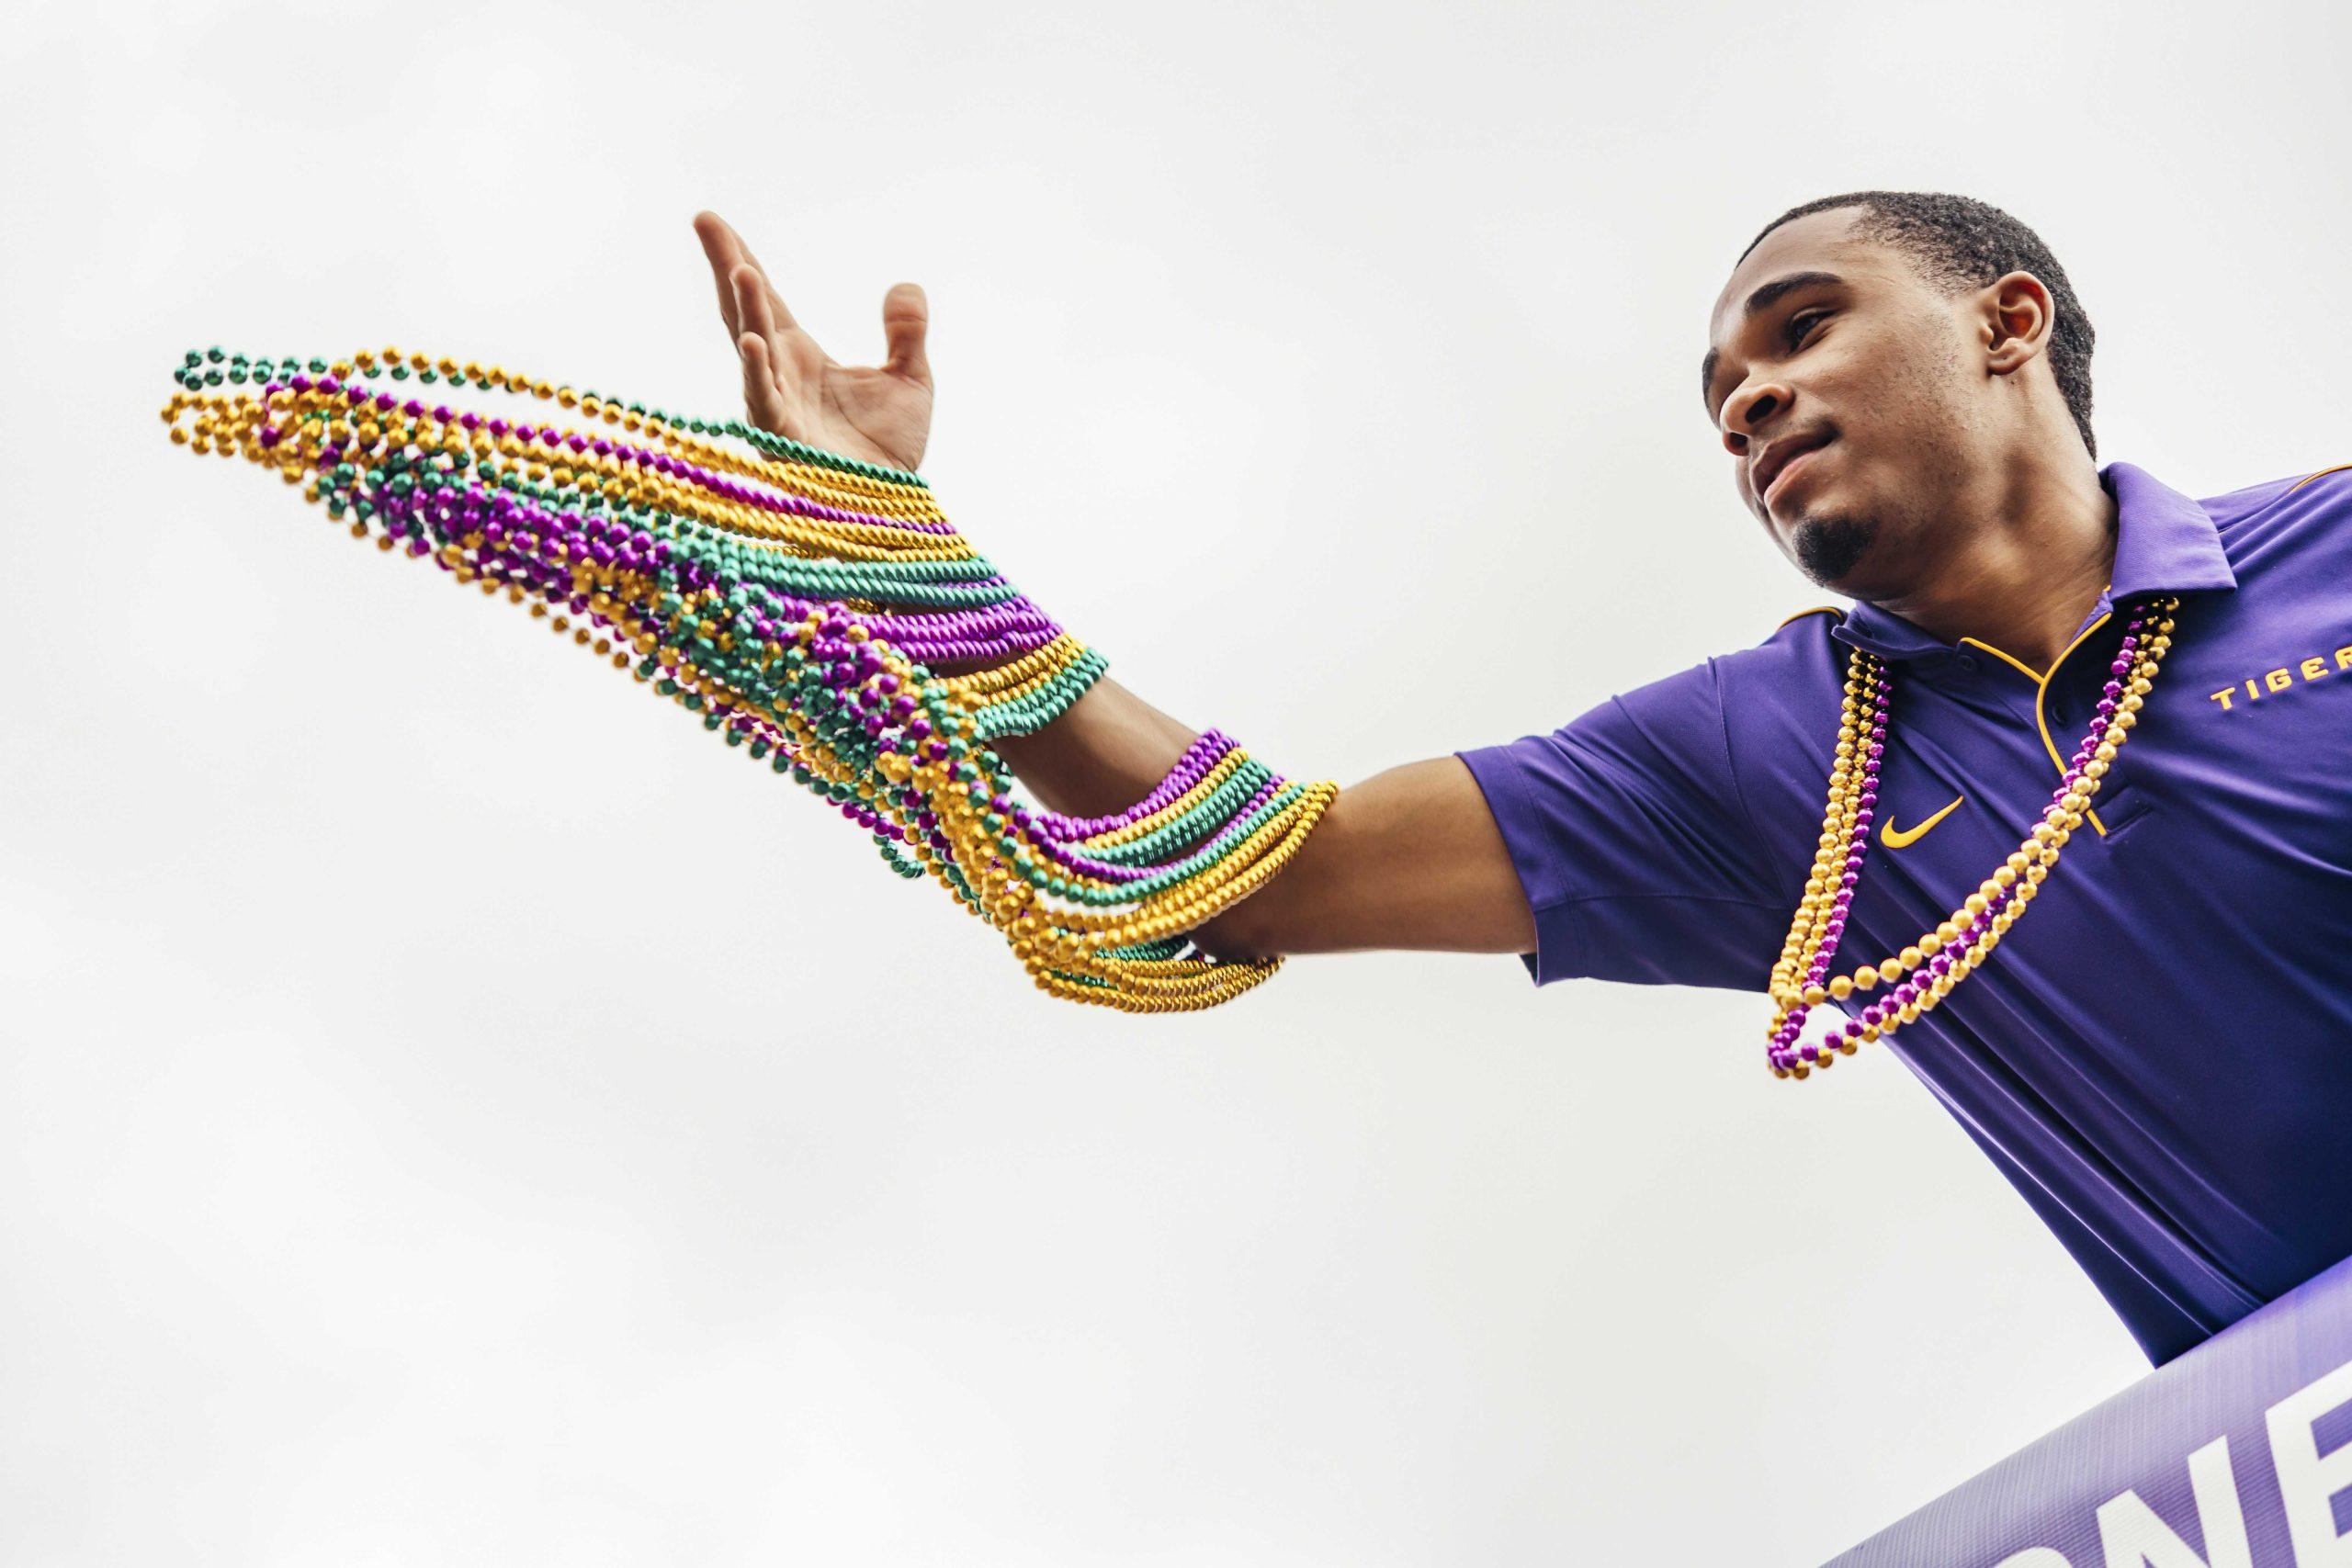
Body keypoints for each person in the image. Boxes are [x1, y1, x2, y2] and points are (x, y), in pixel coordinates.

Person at [687, 193, 2352, 1369]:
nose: (1749, 399)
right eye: (1719, 400)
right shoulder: (1769, 751)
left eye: (1804, 327)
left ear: (2007, 323)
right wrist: (892, 539)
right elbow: (1263, 864)